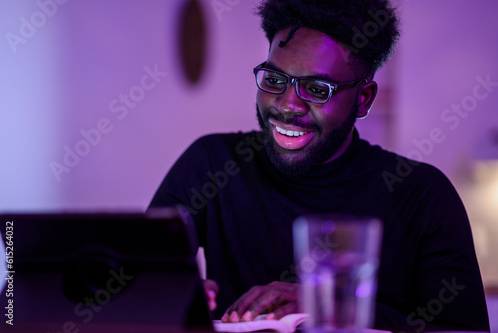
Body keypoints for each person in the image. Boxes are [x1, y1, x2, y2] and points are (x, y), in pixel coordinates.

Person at [149, 0, 490, 331]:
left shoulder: (422, 196)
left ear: (364, 99)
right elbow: (135, 281)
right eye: (274, 80)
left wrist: (329, 309)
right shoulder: (211, 164)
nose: (286, 105)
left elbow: (461, 330)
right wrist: (167, 299)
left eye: (315, 88)